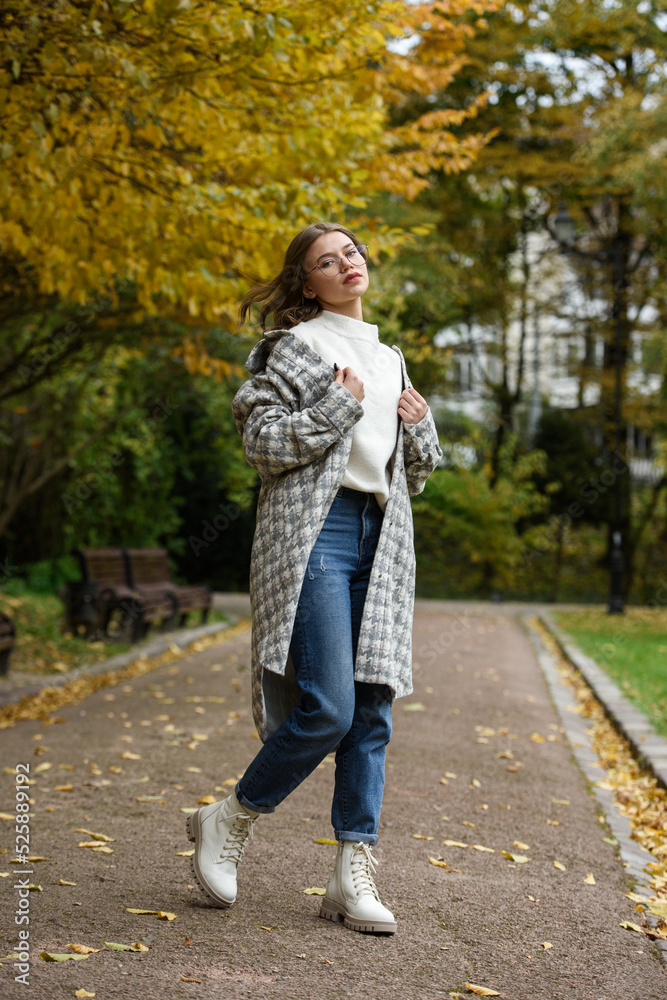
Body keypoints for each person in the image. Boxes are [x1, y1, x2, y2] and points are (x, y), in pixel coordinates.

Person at [186, 222, 441, 934]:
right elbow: (263, 444)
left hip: (381, 538)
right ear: (307, 284)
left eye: (351, 252)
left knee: (372, 707)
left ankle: (351, 874)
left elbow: (413, 473)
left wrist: (420, 426)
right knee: (328, 707)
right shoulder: (294, 349)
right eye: (327, 261)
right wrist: (335, 406)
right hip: (314, 533)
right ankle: (230, 817)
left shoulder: (390, 357)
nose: (346, 264)